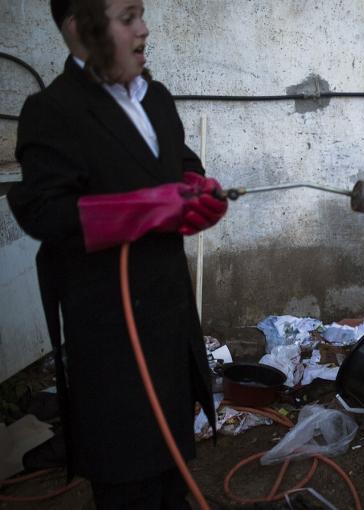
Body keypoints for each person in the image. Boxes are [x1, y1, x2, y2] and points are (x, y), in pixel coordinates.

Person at [8, 0, 227, 507]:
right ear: (78, 29)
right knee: (130, 476)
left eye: (141, 14)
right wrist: (142, 209)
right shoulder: (53, 112)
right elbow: (43, 210)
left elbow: (182, 163)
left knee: (172, 457)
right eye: (127, 17)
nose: (144, 29)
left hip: (169, 322)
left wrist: (200, 191)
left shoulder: (157, 98)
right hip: (113, 336)